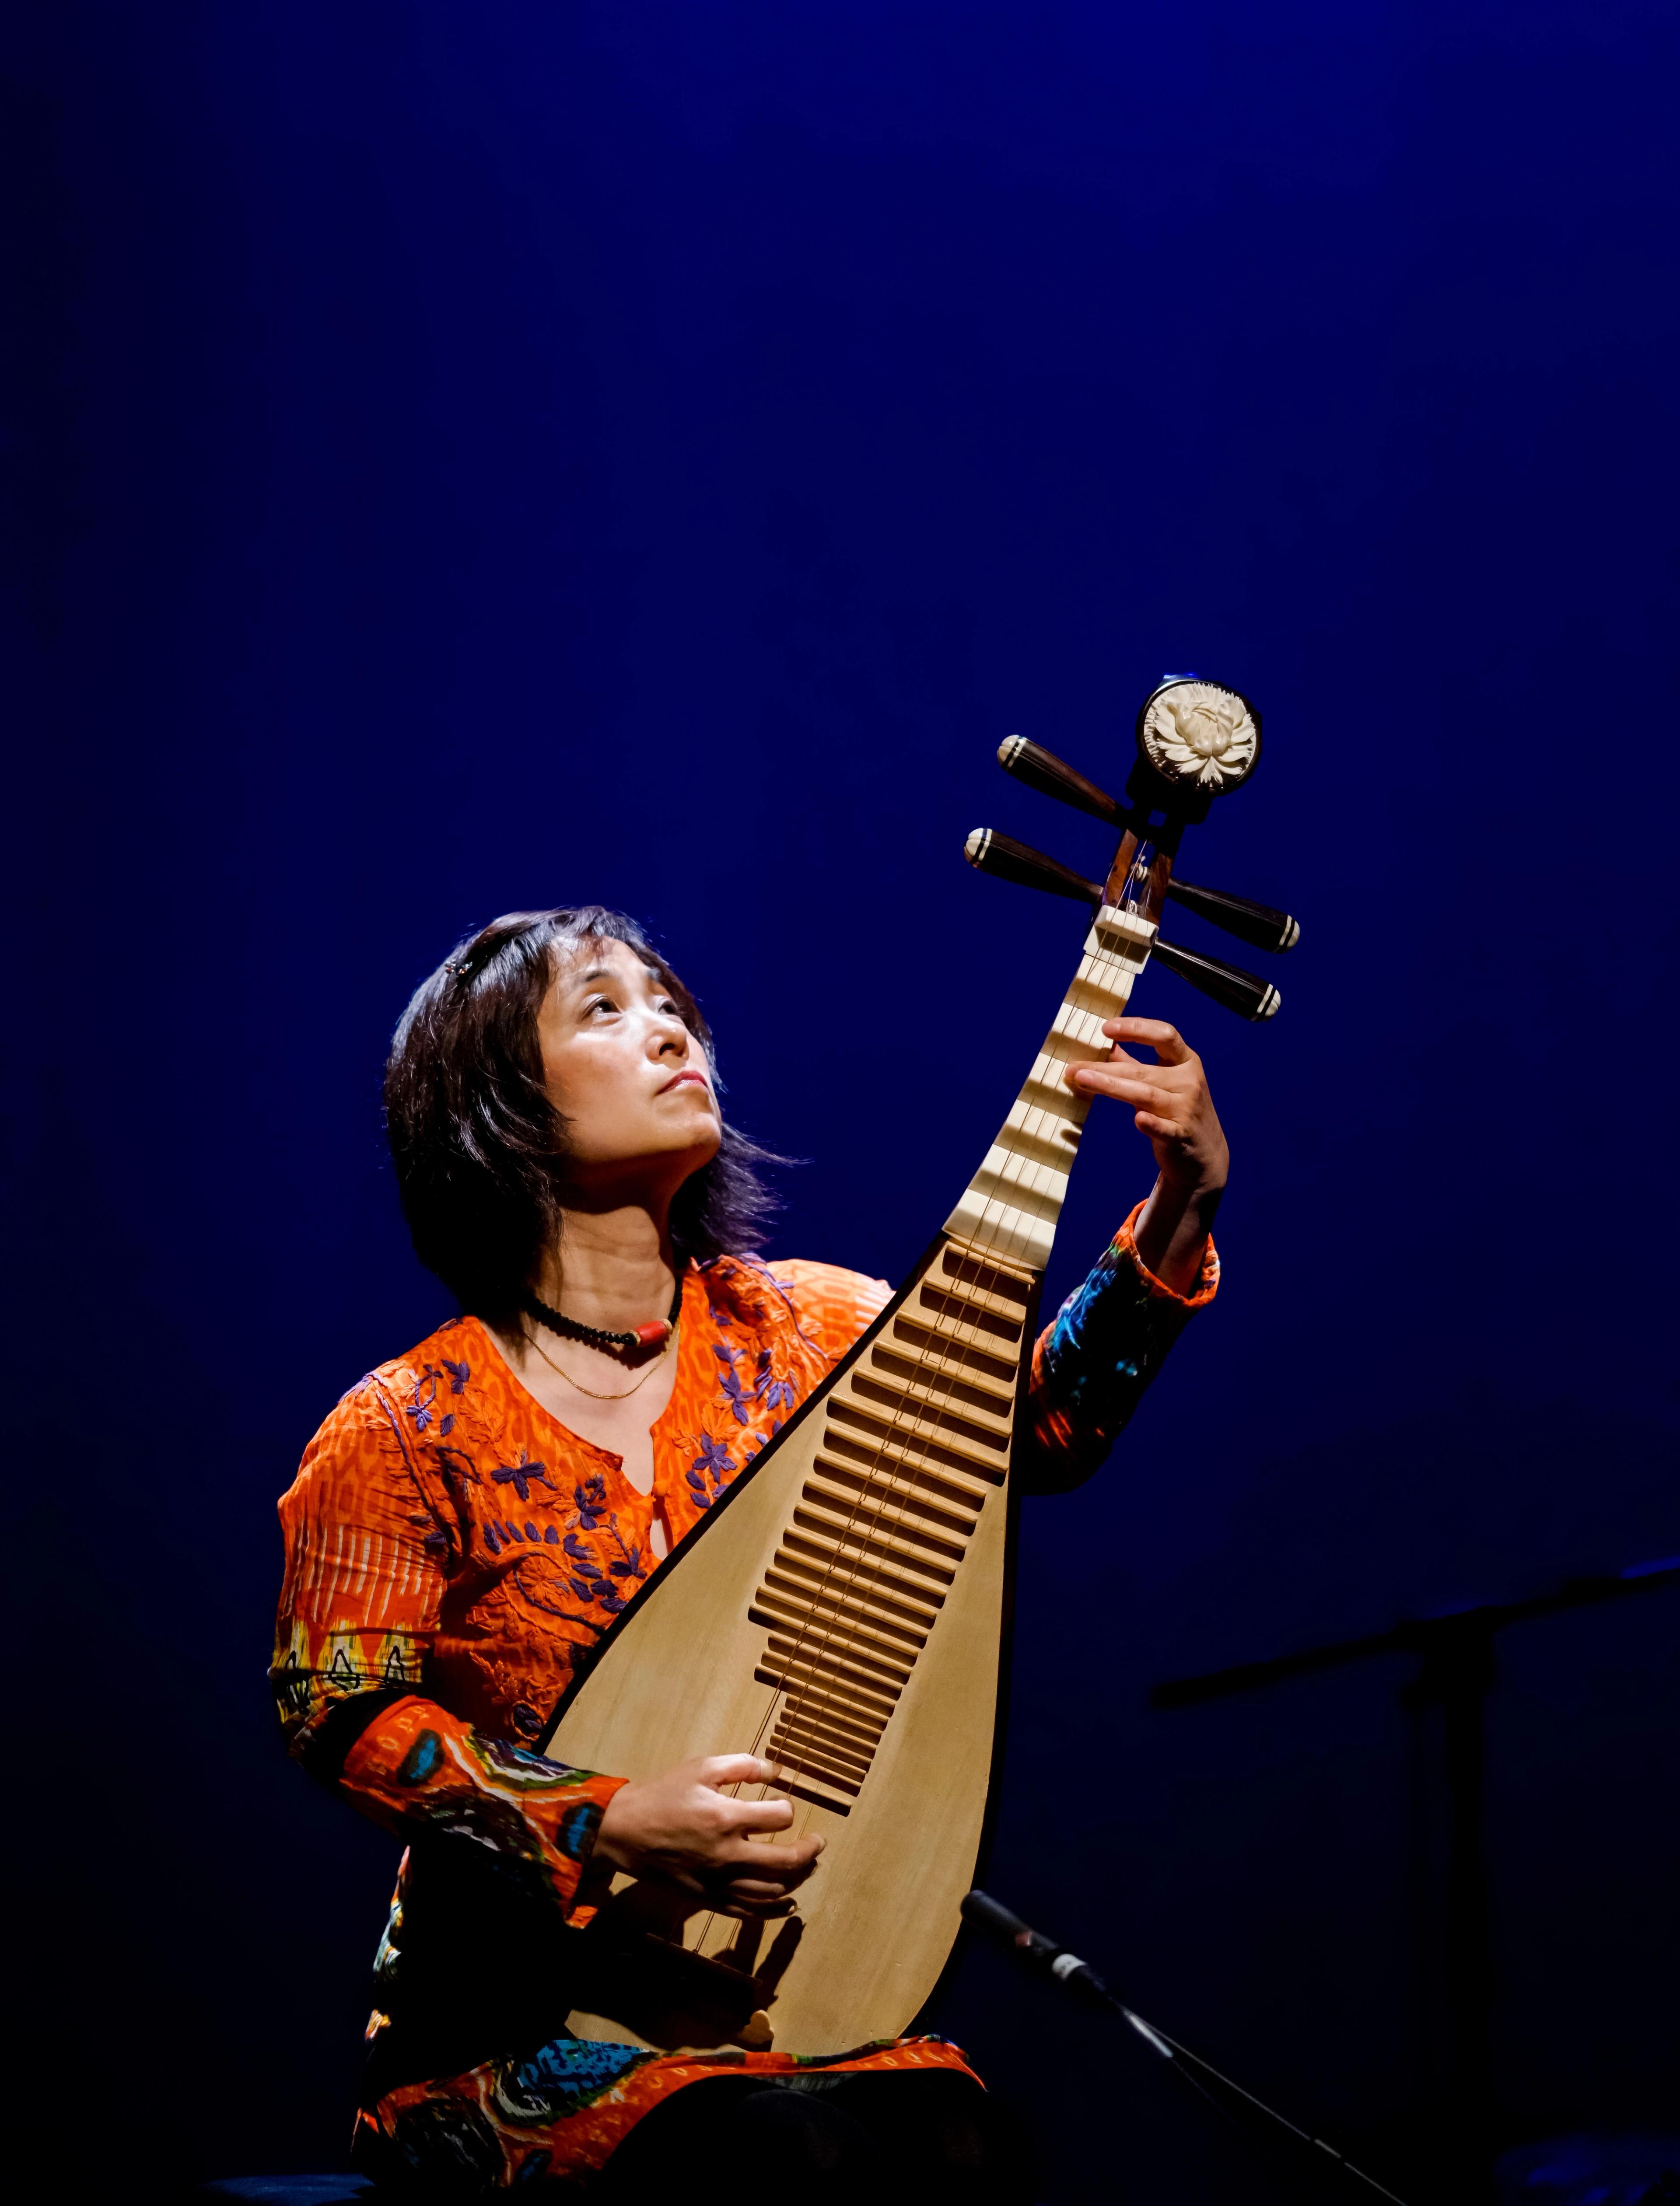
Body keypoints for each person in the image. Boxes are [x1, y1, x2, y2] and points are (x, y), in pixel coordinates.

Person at [271, 904, 1228, 2200]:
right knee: (776, 2163)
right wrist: (605, 1816)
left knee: (963, 2138)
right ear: (494, 1101)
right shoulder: (406, 1423)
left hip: (774, 2007)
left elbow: (1040, 1431)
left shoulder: (814, 1331)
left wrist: (1178, 1209)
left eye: (670, 1000)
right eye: (602, 1007)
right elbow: (337, 1707)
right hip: (518, 2026)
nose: (667, 1024)